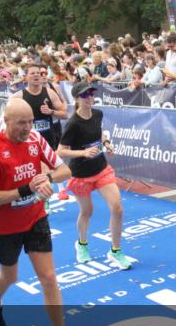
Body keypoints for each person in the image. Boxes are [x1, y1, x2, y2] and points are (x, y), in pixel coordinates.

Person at [0, 97, 83, 326]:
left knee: (48, 278)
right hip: (4, 226)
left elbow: (65, 171)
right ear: (6, 122)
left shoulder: (36, 139)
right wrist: (26, 188)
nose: (27, 128)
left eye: (29, 122)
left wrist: (45, 177)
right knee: (10, 277)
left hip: (35, 217)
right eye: (21, 124)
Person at [56, 82, 130, 270]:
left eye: (91, 93)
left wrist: (107, 142)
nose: (89, 97)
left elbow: (100, 132)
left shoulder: (98, 114)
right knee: (87, 212)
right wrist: (82, 153)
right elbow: (61, 151)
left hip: (101, 169)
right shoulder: (73, 124)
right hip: (81, 174)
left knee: (117, 208)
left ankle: (115, 251)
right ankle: (82, 244)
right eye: (84, 95)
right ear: (77, 99)